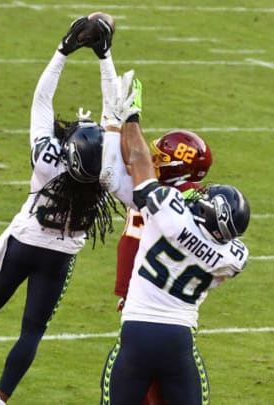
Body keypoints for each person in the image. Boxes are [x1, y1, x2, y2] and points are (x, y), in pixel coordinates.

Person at [0, 16, 119, 405]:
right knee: (32, 331)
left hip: (25, 241)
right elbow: (114, 111)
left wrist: (63, 51)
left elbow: (43, 99)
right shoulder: (107, 172)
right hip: (60, 253)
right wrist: (105, 57)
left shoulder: (47, 160)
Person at [99, 72, 251, 405]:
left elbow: (138, 162)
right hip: (179, 339)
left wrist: (130, 117)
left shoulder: (168, 211)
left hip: (137, 331)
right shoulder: (232, 258)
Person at [109, 129, 212, 405]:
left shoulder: (173, 202)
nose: (154, 160)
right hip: (160, 318)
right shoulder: (165, 194)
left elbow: (119, 171)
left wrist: (119, 123)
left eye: (162, 157)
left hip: (152, 311)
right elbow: (127, 162)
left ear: (177, 165)